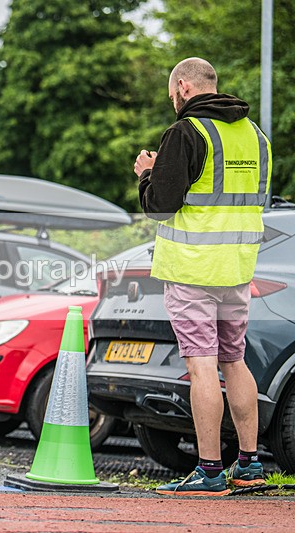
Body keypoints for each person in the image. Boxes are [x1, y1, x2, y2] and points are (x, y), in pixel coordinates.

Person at [135, 57, 271, 496]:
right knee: (234, 361)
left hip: (193, 268)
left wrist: (146, 174)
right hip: (237, 268)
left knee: (202, 367)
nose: (172, 99)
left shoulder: (186, 131)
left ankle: (210, 471)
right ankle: (249, 466)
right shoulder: (255, 136)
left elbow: (159, 205)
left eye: (172, 91)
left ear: (184, 87)